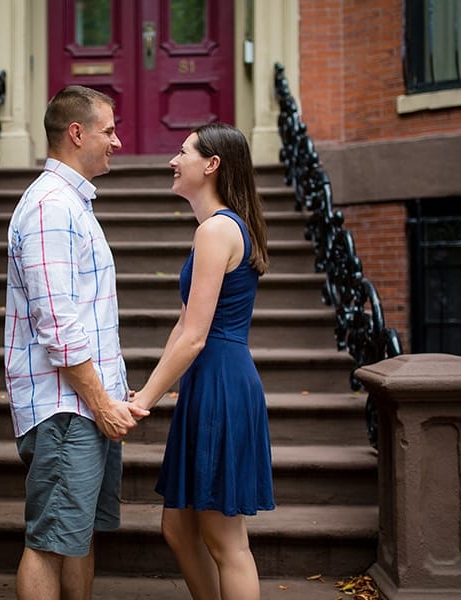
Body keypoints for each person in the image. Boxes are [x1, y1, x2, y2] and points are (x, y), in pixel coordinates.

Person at [3, 85, 149, 600]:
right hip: (68, 409)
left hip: (86, 403)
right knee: (49, 540)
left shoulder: (72, 204)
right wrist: (101, 402)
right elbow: (58, 323)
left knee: (77, 534)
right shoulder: (49, 207)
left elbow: (85, 316)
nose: (118, 141)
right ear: (76, 133)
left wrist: (113, 392)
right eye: (109, 130)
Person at [131, 123, 275, 600]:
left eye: (182, 151)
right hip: (209, 384)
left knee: (226, 540)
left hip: (221, 385)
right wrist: (147, 389)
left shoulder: (218, 229)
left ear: (211, 164)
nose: (173, 160)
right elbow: (183, 326)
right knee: (178, 527)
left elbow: (194, 338)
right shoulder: (214, 228)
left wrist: (142, 404)